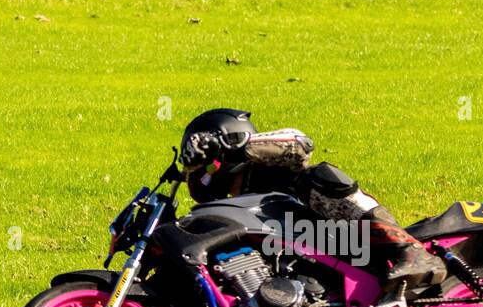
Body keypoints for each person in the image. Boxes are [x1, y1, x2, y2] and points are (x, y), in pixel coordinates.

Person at [178, 108, 447, 293]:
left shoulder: (269, 165)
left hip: (345, 243)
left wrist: (237, 146)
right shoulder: (235, 207)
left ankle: (409, 251)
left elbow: (301, 144)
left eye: (200, 148)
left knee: (318, 177)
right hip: (304, 272)